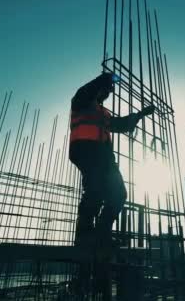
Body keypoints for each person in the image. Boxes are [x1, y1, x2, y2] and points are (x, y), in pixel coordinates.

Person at [69, 72, 154, 250]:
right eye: (106, 90)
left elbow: (122, 124)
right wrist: (106, 78)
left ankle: (101, 234)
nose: (106, 94)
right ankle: (84, 234)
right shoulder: (81, 101)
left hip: (105, 157)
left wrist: (138, 116)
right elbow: (87, 90)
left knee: (118, 194)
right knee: (95, 190)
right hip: (86, 151)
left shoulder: (103, 113)